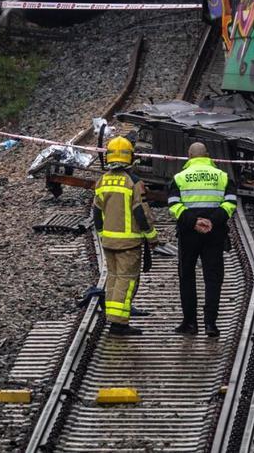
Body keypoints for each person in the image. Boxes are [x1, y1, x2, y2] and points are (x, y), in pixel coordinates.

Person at [168, 141, 237, 337]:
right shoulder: (222, 177)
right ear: (207, 155)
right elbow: (231, 203)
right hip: (214, 234)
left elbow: (174, 205)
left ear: (189, 156)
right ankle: (210, 325)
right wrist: (211, 221)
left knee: (187, 277)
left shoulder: (179, 177)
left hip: (188, 234)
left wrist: (193, 222)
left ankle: (190, 323)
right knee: (213, 278)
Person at [92, 135, 156, 335]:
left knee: (113, 278)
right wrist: (152, 236)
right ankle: (119, 323)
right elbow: (141, 212)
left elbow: (96, 212)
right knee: (126, 281)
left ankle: (113, 315)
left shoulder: (102, 180)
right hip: (128, 243)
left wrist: (103, 234)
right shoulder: (133, 182)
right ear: (131, 156)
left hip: (109, 242)